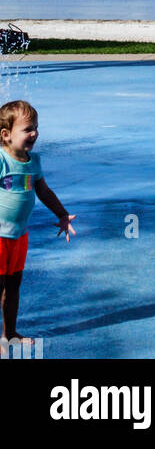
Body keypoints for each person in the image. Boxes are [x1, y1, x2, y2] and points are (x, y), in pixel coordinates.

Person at [0, 99, 75, 344]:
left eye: (36, 128)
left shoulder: (34, 162)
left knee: (13, 288)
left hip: (19, 236)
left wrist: (62, 214)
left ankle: (10, 334)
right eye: (27, 129)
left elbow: (44, 191)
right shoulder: (1, 161)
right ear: (6, 135)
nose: (34, 133)